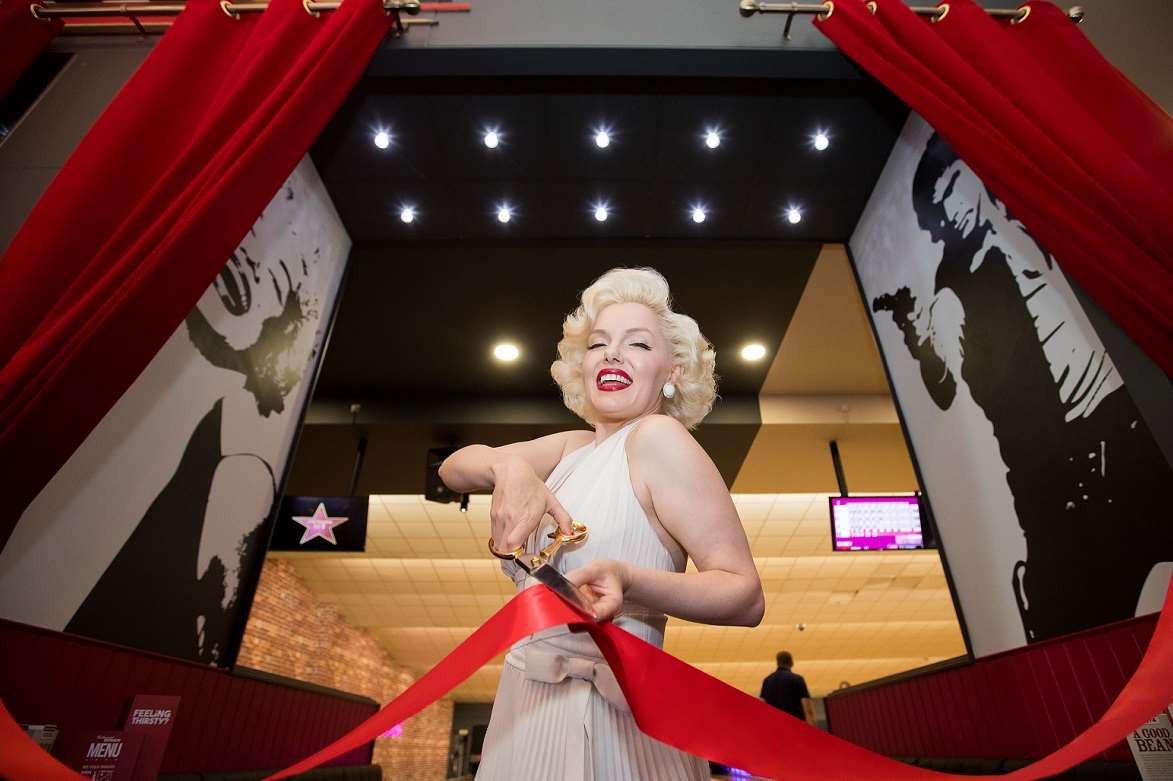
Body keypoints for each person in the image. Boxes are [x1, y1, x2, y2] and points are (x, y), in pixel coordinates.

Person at [439, 267, 765, 780]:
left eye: (637, 344)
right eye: (598, 344)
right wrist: (509, 467)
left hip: (618, 718)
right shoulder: (571, 448)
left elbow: (745, 595)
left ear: (673, 372)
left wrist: (632, 581)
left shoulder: (658, 439)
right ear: (582, 365)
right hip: (523, 715)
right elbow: (454, 468)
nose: (612, 354)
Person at [871, 132, 1173, 643]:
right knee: (1069, 640)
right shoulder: (951, 290)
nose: (955, 207)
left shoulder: (1030, 229)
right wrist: (913, 332)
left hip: (1119, 430)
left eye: (958, 185)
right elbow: (942, 386)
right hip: (1055, 482)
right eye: (942, 202)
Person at [759, 651, 810, 722]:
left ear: (777, 663)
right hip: (795, 724)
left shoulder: (767, 680)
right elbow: (807, 705)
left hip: (775, 724)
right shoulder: (797, 679)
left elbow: (762, 704)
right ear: (791, 662)